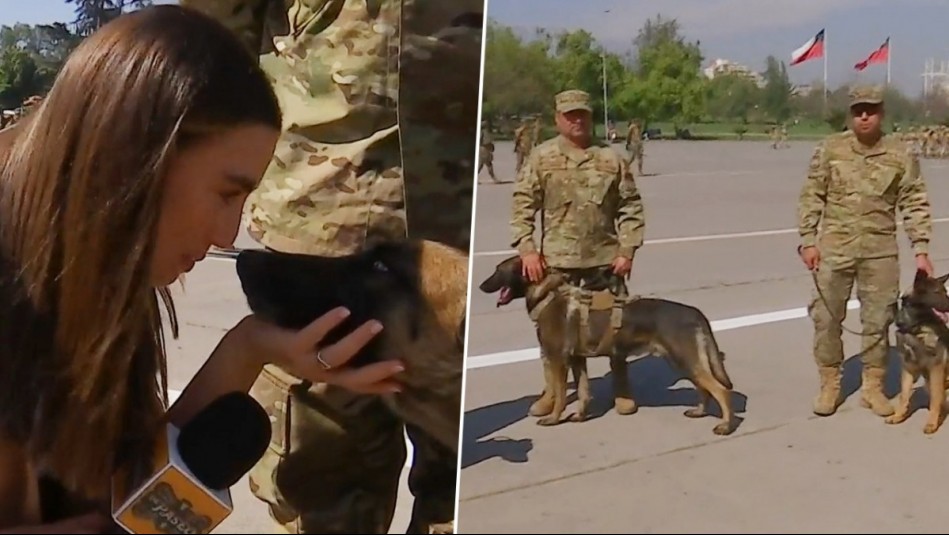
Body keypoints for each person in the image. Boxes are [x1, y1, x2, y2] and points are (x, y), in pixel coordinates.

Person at [0, 6, 402, 532]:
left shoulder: (98, 278)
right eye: (225, 194)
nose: (226, 235)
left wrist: (253, 346)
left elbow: (132, 497)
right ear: (135, 155)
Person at [177, 1, 480, 533]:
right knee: (325, 496)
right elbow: (207, 51)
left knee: (458, 499)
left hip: (461, 238)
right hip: (321, 235)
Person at [797, 85, 933, 418]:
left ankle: (872, 387)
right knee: (826, 318)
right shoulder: (831, 149)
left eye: (870, 110)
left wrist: (921, 249)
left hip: (880, 252)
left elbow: (914, 201)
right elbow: (812, 194)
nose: (864, 116)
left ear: (881, 113)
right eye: (858, 110)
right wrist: (808, 239)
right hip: (834, 249)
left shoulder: (900, 154)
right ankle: (830, 383)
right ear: (851, 114)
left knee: (879, 320)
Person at [510, 88, 645, 418]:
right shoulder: (541, 158)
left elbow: (631, 207)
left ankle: (621, 385)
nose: (577, 120)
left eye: (582, 114)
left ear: (590, 116)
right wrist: (527, 249)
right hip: (556, 265)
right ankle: (553, 390)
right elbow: (522, 205)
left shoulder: (610, 159)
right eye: (569, 115)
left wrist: (627, 249)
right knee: (553, 335)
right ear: (558, 118)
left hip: (604, 262)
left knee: (616, 326)